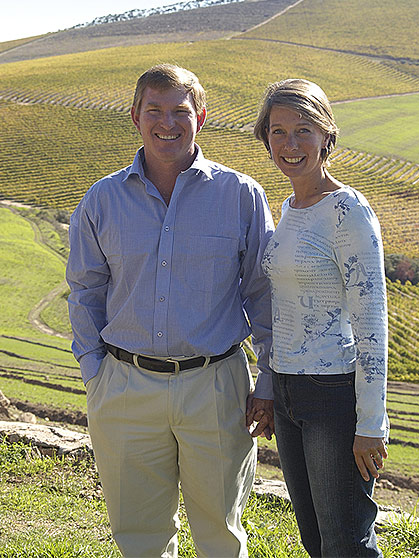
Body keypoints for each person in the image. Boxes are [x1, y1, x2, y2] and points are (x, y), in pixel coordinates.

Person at [66, 63, 274, 558]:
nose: (167, 123)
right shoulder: (103, 198)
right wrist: (96, 375)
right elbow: (84, 291)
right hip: (124, 387)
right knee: (139, 539)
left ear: (201, 115)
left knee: (220, 536)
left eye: (180, 110)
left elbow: (264, 293)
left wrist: (266, 381)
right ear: (135, 115)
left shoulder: (241, 195)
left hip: (216, 388)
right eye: (154, 110)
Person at [252, 78, 389, 557]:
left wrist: (372, 421)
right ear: (265, 138)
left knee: (346, 542)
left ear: (327, 135)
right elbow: (281, 310)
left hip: (333, 392)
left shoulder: (347, 210)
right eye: (278, 131)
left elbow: (371, 319)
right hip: (289, 390)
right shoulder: (289, 207)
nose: (290, 144)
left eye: (303, 130)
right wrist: (269, 387)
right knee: (315, 539)